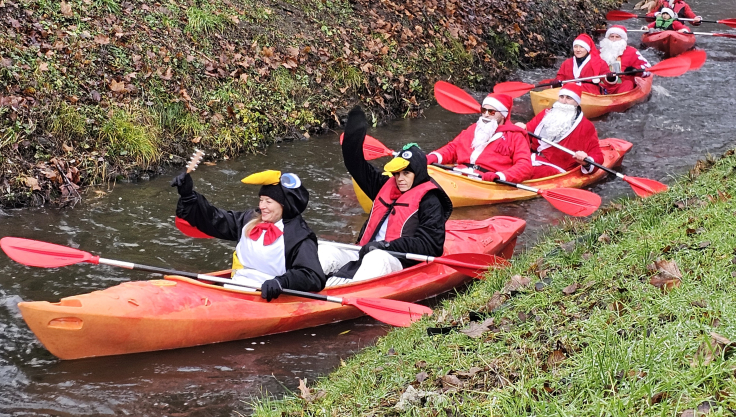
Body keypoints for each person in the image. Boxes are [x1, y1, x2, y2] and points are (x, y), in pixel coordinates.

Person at [319, 106, 452, 286]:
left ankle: (340, 294)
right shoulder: (384, 185)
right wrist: (353, 136)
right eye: (397, 174)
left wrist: (388, 246)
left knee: (376, 258)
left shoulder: (430, 200)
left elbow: (430, 246)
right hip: (364, 251)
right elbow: (356, 166)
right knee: (325, 251)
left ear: (418, 172)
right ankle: (306, 283)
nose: (400, 179)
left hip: (397, 260)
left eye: (406, 173)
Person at [172, 169, 326, 300]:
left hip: (269, 293)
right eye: (261, 200)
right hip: (237, 286)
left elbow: (312, 275)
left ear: (284, 205)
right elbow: (215, 219)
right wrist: (189, 197)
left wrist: (282, 282)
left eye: (268, 202)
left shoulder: (299, 237)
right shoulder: (249, 219)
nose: (262, 206)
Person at [425, 93, 532, 184]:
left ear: (503, 115)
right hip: (460, 173)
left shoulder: (515, 136)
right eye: (483, 110)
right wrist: (434, 156)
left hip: (487, 180)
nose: (485, 115)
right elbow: (453, 148)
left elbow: (524, 166)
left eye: (491, 112)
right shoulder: (473, 128)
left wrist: (501, 176)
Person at [514, 83, 604, 179]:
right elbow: (528, 132)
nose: (564, 101)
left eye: (569, 98)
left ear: (577, 102)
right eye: (561, 97)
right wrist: (521, 129)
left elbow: (597, 154)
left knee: (524, 169)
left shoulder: (586, 126)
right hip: (531, 157)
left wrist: (586, 160)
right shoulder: (545, 114)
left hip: (554, 167)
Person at [548, 34, 614, 95]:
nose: (578, 50)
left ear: (587, 49)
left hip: (590, 92)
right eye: (575, 47)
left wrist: (610, 78)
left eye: (582, 47)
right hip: (569, 91)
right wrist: (557, 83)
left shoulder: (599, 62)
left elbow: (606, 80)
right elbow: (560, 77)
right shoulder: (567, 62)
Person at [599, 25, 652, 94]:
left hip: (622, 85)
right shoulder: (599, 52)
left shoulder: (632, 51)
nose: (614, 39)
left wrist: (635, 70)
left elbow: (648, 68)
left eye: (617, 37)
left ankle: (619, 101)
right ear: (607, 38)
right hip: (602, 85)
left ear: (622, 39)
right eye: (612, 37)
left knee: (628, 84)